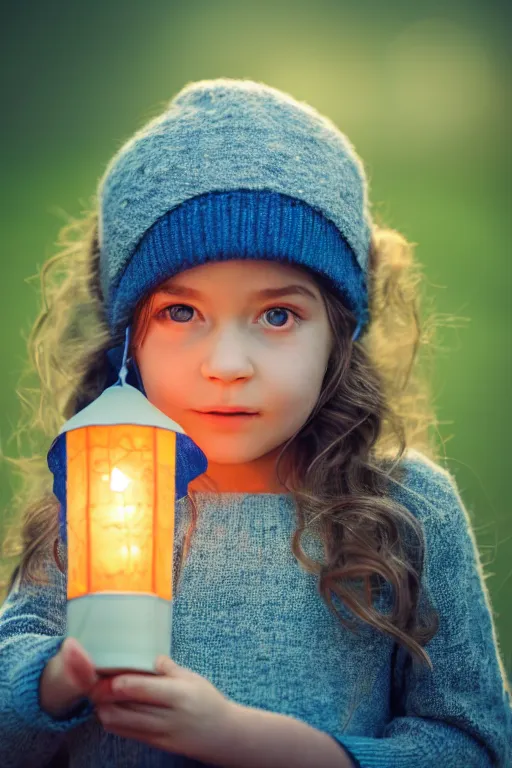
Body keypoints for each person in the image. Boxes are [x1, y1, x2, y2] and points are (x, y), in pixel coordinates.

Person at [0, 77, 510, 768]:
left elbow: (474, 748)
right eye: (181, 313)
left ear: (339, 332)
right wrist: (59, 681)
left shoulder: (406, 511)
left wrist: (245, 741)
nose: (228, 364)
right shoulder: (103, 493)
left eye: (277, 315)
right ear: (128, 341)